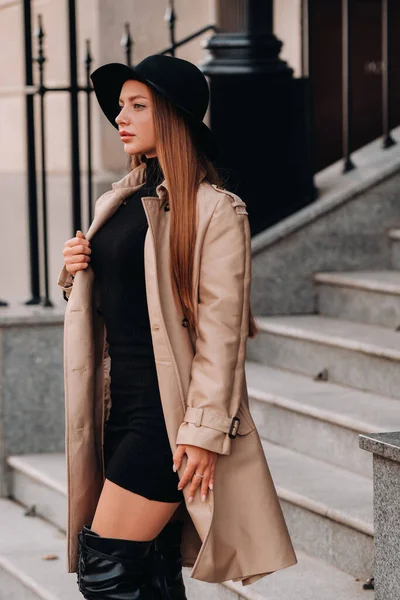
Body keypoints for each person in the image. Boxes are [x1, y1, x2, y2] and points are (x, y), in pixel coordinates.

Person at [59, 54, 297, 599]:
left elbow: (223, 335)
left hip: (166, 421)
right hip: (118, 410)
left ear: (174, 116)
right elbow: (118, 299)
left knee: (106, 571)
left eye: (137, 106)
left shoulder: (215, 211)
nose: (121, 117)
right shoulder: (116, 200)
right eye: (120, 107)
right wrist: (75, 271)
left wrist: (203, 432)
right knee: (151, 571)